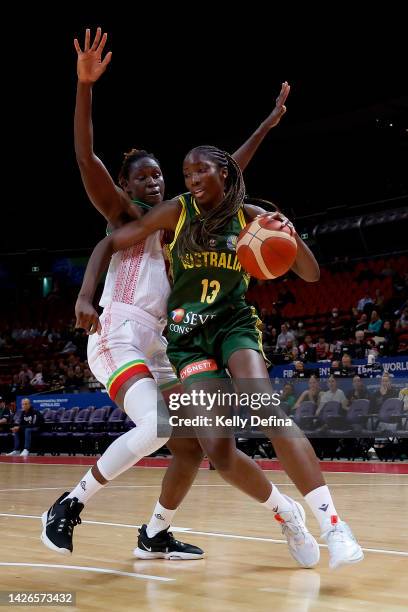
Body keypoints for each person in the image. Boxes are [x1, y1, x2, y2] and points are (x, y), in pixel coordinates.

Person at [41, 28, 292, 561]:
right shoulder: (125, 215)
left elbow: (231, 170)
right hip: (120, 333)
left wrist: (267, 125)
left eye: (160, 176)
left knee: (191, 445)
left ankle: (155, 533)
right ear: (129, 188)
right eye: (144, 178)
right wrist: (84, 86)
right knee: (157, 425)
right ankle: (69, 503)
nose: (155, 183)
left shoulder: (186, 216)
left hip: (164, 342)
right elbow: (86, 158)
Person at [77, 143, 363, 569]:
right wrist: (85, 297)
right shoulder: (177, 212)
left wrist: (287, 231)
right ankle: (288, 513)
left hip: (232, 324)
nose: (190, 179)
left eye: (200, 172)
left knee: (265, 409)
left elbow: (310, 273)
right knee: (220, 452)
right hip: (188, 339)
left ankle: (335, 527)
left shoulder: (248, 215)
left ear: (223, 174)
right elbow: (111, 241)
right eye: (187, 173)